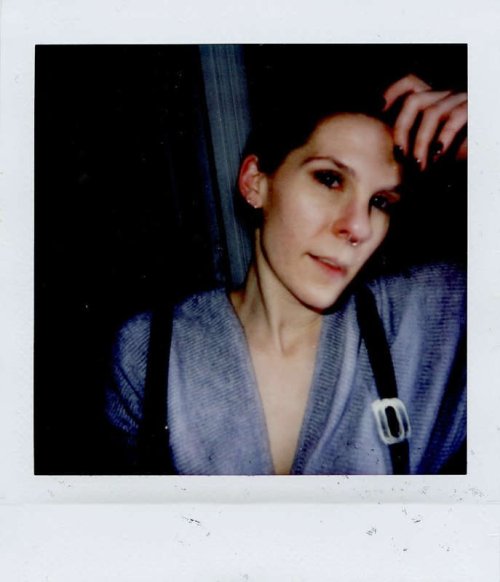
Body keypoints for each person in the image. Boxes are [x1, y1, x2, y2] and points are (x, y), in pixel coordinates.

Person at [105, 72, 467, 475]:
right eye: (329, 179)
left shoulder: (427, 317)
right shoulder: (153, 353)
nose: (359, 227)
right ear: (255, 183)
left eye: (380, 201)